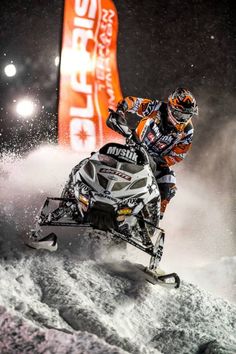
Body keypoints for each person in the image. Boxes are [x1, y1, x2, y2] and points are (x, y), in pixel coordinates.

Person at [106, 87, 198, 219]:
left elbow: (179, 154)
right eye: (180, 115)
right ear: (171, 108)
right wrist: (121, 110)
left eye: (187, 116)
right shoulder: (156, 108)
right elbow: (133, 102)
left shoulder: (188, 131)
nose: (183, 119)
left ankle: (153, 220)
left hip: (156, 162)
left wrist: (163, 161)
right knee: (105, 154)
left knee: (169, 182)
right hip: (133, 148)